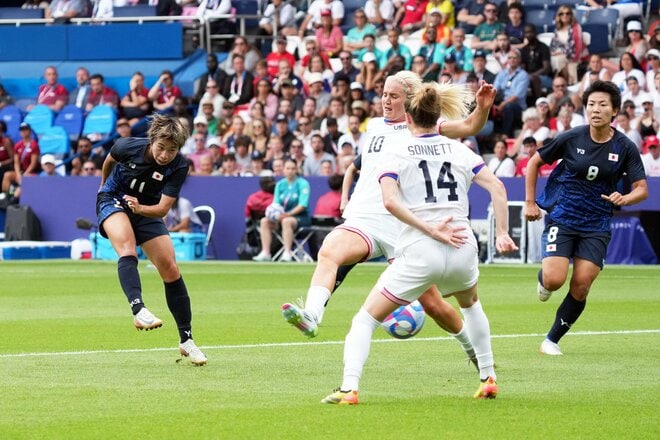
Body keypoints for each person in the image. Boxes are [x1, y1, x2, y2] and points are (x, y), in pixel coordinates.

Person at [281, 71, 495, 370]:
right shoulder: (375, 126)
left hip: (403, 225)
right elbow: (359, 169)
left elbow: (471, 125)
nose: (385, 100)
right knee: (330, 250)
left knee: (433, 305)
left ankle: (472, 349)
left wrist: (482, 107)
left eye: (393, 96)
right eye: (383, 94)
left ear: (409, 101)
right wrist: (347, 199)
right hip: (366, 217)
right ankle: (312, 315)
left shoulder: (421, 126)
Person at [320, 81, 517, 404]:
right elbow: (496, 187)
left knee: (365, 320)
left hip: (421, 250)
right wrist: (502, 233)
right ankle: (487, 377)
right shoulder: (460, 150)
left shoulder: (394, 152)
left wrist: (430, 229)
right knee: (471, 305)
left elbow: (390, 204)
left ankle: (349, 388)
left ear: (408, 119)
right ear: (438, 116)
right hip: (461, 246)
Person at [524, 80, 648, 356]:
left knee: (581, 284)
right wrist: (531, 202)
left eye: (603, 105)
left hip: (597, 224)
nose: (596, 109)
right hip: (564, 217)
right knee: (554, 280)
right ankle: (543, 278)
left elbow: (642, 189)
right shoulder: (571, 137)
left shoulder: (625, 147)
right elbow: (534, 162)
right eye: (591, 104)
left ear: (614, 111)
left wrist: (624, 198)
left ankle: (551, 340)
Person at [96, 114, 207, 365]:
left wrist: (139, 208)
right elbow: (110, 159)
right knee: (127, 249)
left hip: (146, 208)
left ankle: (187, 341)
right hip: (113, 198)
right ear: (152, 140)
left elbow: (163, 208)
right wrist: (102, 185)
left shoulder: (179, 166)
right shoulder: (128, 146)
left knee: (170, 268)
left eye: (172, 149)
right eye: (161, 147)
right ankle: (139, 310)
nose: (165, 154)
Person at [253, 158, 311, 262]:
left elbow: (303, 205)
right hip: (282, 217)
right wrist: (275, 215)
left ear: (296, 169)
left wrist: (288, 214)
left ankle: (287, 253)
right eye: (288, 168)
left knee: (286, 221)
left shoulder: (303, 183)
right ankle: (266, 252)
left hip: (300, 218)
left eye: (293, 168)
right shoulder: (280, 185)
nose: (290, 171)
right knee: (264, 221)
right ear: (283, 170)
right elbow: (276, 204)